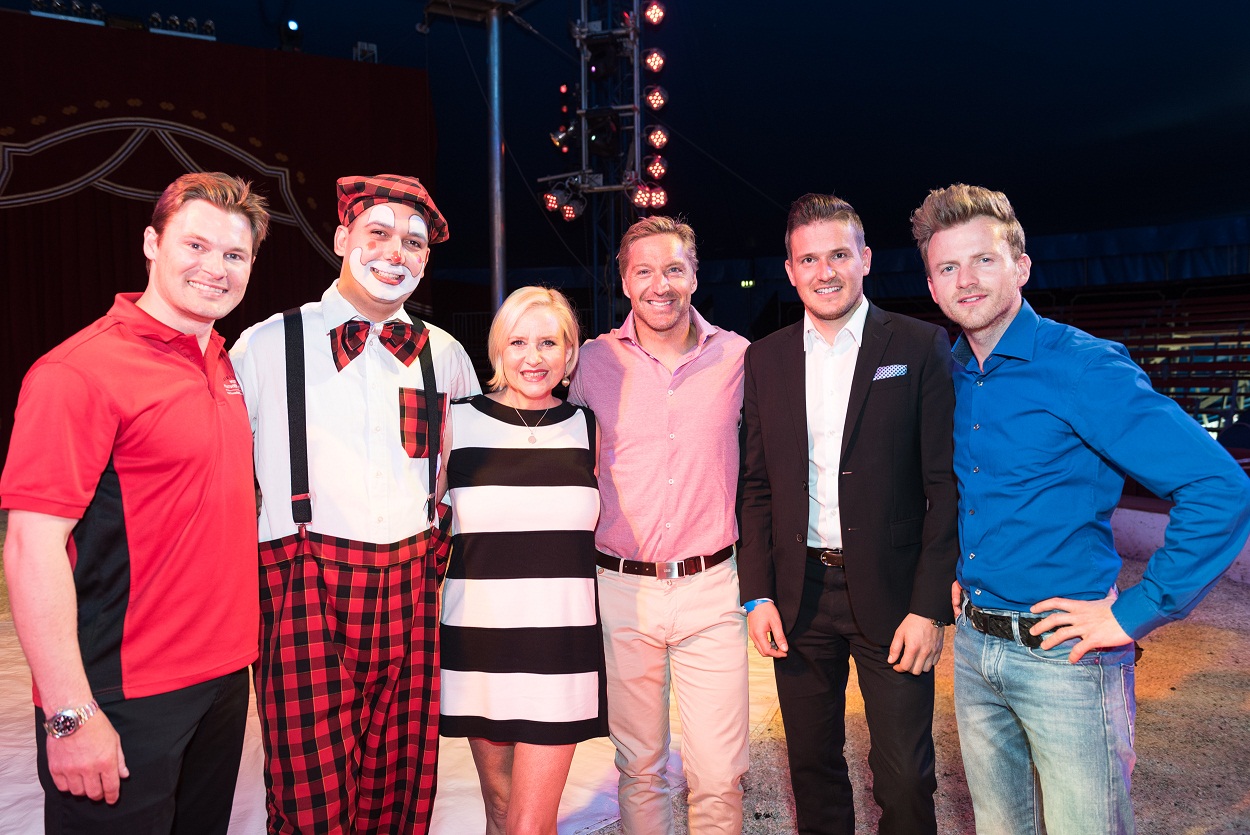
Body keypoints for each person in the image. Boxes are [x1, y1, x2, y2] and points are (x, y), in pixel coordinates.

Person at [911, 183, 1250, 834]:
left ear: (1021, 267)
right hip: (975, 648)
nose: (966, 280)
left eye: (983, 260)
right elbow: (969, 486)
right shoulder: (951, 376)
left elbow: (1220, 487)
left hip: (1065, 659)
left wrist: (1135, 611)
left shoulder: (1083, 367)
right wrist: (958, 562)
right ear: (931, 286)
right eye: (947, 267)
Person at [0, 172, 269, 833]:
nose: (215, 268)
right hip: (122, 694)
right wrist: (69, 714)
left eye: (235, 254)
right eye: (195, 245)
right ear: (152, 243)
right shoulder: (77, 373)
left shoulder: (222, 363)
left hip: (221, 682)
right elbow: (31, 547)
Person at [231, 174, 480, 834]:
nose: (395, 252)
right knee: (307, 798)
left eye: (414, 243)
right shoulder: (266, 345)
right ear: (342, 239)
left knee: (401, 786)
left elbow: (464, 480)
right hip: (300, 586)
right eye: (378, 233)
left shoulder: (446, 355)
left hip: (413, 586)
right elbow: (221, 475)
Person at [737, 193, 958, 835]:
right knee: (811, 769)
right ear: (790, 270)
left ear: (865, 258)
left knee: (906, 777)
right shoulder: (765, 357)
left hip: (894, 595)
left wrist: (929, 607)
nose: (825, 271)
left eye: (838, 254)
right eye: (809, 259)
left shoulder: (919, 344)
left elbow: (944, 485)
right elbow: (756, 486)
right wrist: (757, 595)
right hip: (798, 596)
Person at [568, 216, 750, 834]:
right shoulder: (592, 362)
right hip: (622, 590)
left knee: (719, 774)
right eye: (643, 271)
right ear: (624, 282)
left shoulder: (737, 357)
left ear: (695, 275)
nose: (660, 284)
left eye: (674, 269)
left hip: (712, 590)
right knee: (640, 768)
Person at [439, 285, 608, 835]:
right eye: (518, 342)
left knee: (530, 823)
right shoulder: (456, 424)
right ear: (497, 350)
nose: (533, 357)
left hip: (561, 647)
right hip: (479, 644)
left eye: (548, 343)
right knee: (499, 808)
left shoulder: (589, 428)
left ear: (570, 353)